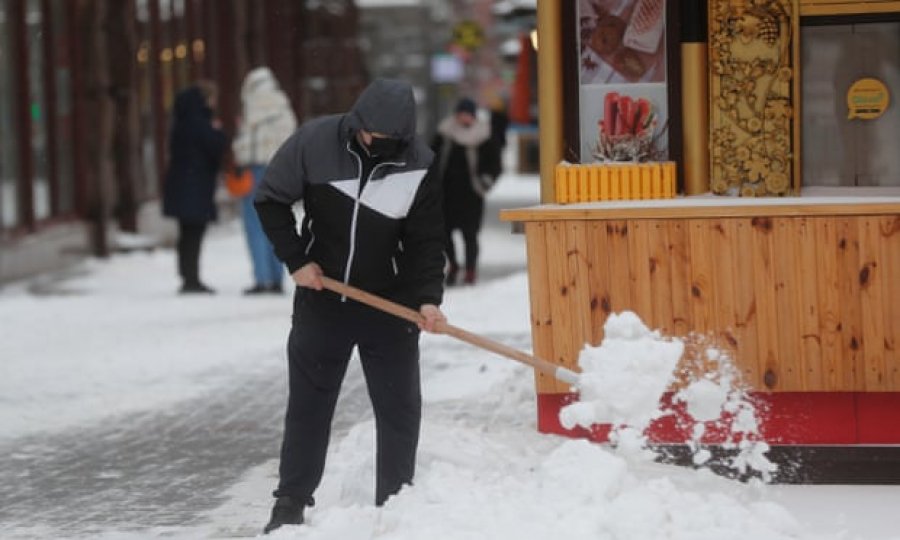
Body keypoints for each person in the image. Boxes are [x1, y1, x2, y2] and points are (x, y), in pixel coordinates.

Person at [253, 78, 447, 534]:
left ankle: (395, 504)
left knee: (399, 409)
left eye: (382, 141)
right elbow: (270, 200)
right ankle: (291, 501)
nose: (371, 143)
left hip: (390, 306)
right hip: (323, 300)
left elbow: (426, 241)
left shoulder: (419, 164)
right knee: (309, 407)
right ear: (356, 121)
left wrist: (428, 299)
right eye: (366, 134)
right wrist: (297, 261)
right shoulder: (314, 142)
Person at [232, 67, 298, 294]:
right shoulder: (282, 103)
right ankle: (277, 277)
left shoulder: (252, 104)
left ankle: (262, 279)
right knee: (276, 222)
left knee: (254, 223)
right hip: (279, 170)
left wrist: (238, 153)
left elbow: (246, 143)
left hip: (256, 169)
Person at [162, 81, 229, 294]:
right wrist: (218, 131)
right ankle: (192, 279)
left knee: (187, 233)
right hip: (195, 184)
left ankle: (187, 275)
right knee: (194, 233)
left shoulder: (181, 121)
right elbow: (215, 146)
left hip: (183, 183)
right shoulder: (200, 122)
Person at [431, 97, 502, 286]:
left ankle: (471, 269)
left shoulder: (484, 135)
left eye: (467, 114)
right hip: (446, 193)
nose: (464, 118)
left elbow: (494, 163)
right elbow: (432, 157)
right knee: (444, 234)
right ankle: (453, 264)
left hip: (472, 194)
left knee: (470, 234)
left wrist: (485, 182)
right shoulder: (445, 133)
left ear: (473, 116)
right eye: (461, 114)